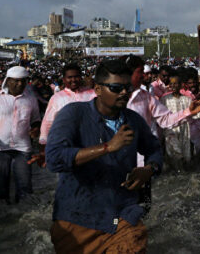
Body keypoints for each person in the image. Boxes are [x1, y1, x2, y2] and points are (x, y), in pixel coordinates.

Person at [45, 59, 163, 253]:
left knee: (134, 244)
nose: (124, 93)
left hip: (122, 214)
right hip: (78, 217)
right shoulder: (73, 114)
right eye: (116, 88)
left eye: (128, 88)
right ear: (98, 89)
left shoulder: (133, 120)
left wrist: (149, 170)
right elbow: (54, 158)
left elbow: (154, 149)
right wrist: (107, 147)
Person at [0, 66, 40, 203]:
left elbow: (36, 120)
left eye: (23, 81)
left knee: (25, 190)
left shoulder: (30, 99)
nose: (20, 84)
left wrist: (35, 129)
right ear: (8, 81)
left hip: (23, 148)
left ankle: (23, 217)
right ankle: (4, 220)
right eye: (16, 81)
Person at [34, 63, 96, 165]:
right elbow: (47, 123)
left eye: (76, 76)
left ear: (81, 77)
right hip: (66, 145)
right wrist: (43, 147)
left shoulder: (92, 94)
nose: (73, 80)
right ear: (63, 79)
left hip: (91, 144)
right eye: (70, 77)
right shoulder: (57, 98)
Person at [160, 72, 200, 171]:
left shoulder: (187, 99)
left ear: (181, 85)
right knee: (174, 149)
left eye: (176, 83)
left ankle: (183, 172)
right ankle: (175, 170)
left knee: (185, 149)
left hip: (185, 128)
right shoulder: (164, 99)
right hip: (171, 128)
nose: (173, 86)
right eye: (171, 83)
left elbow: (194, 112)